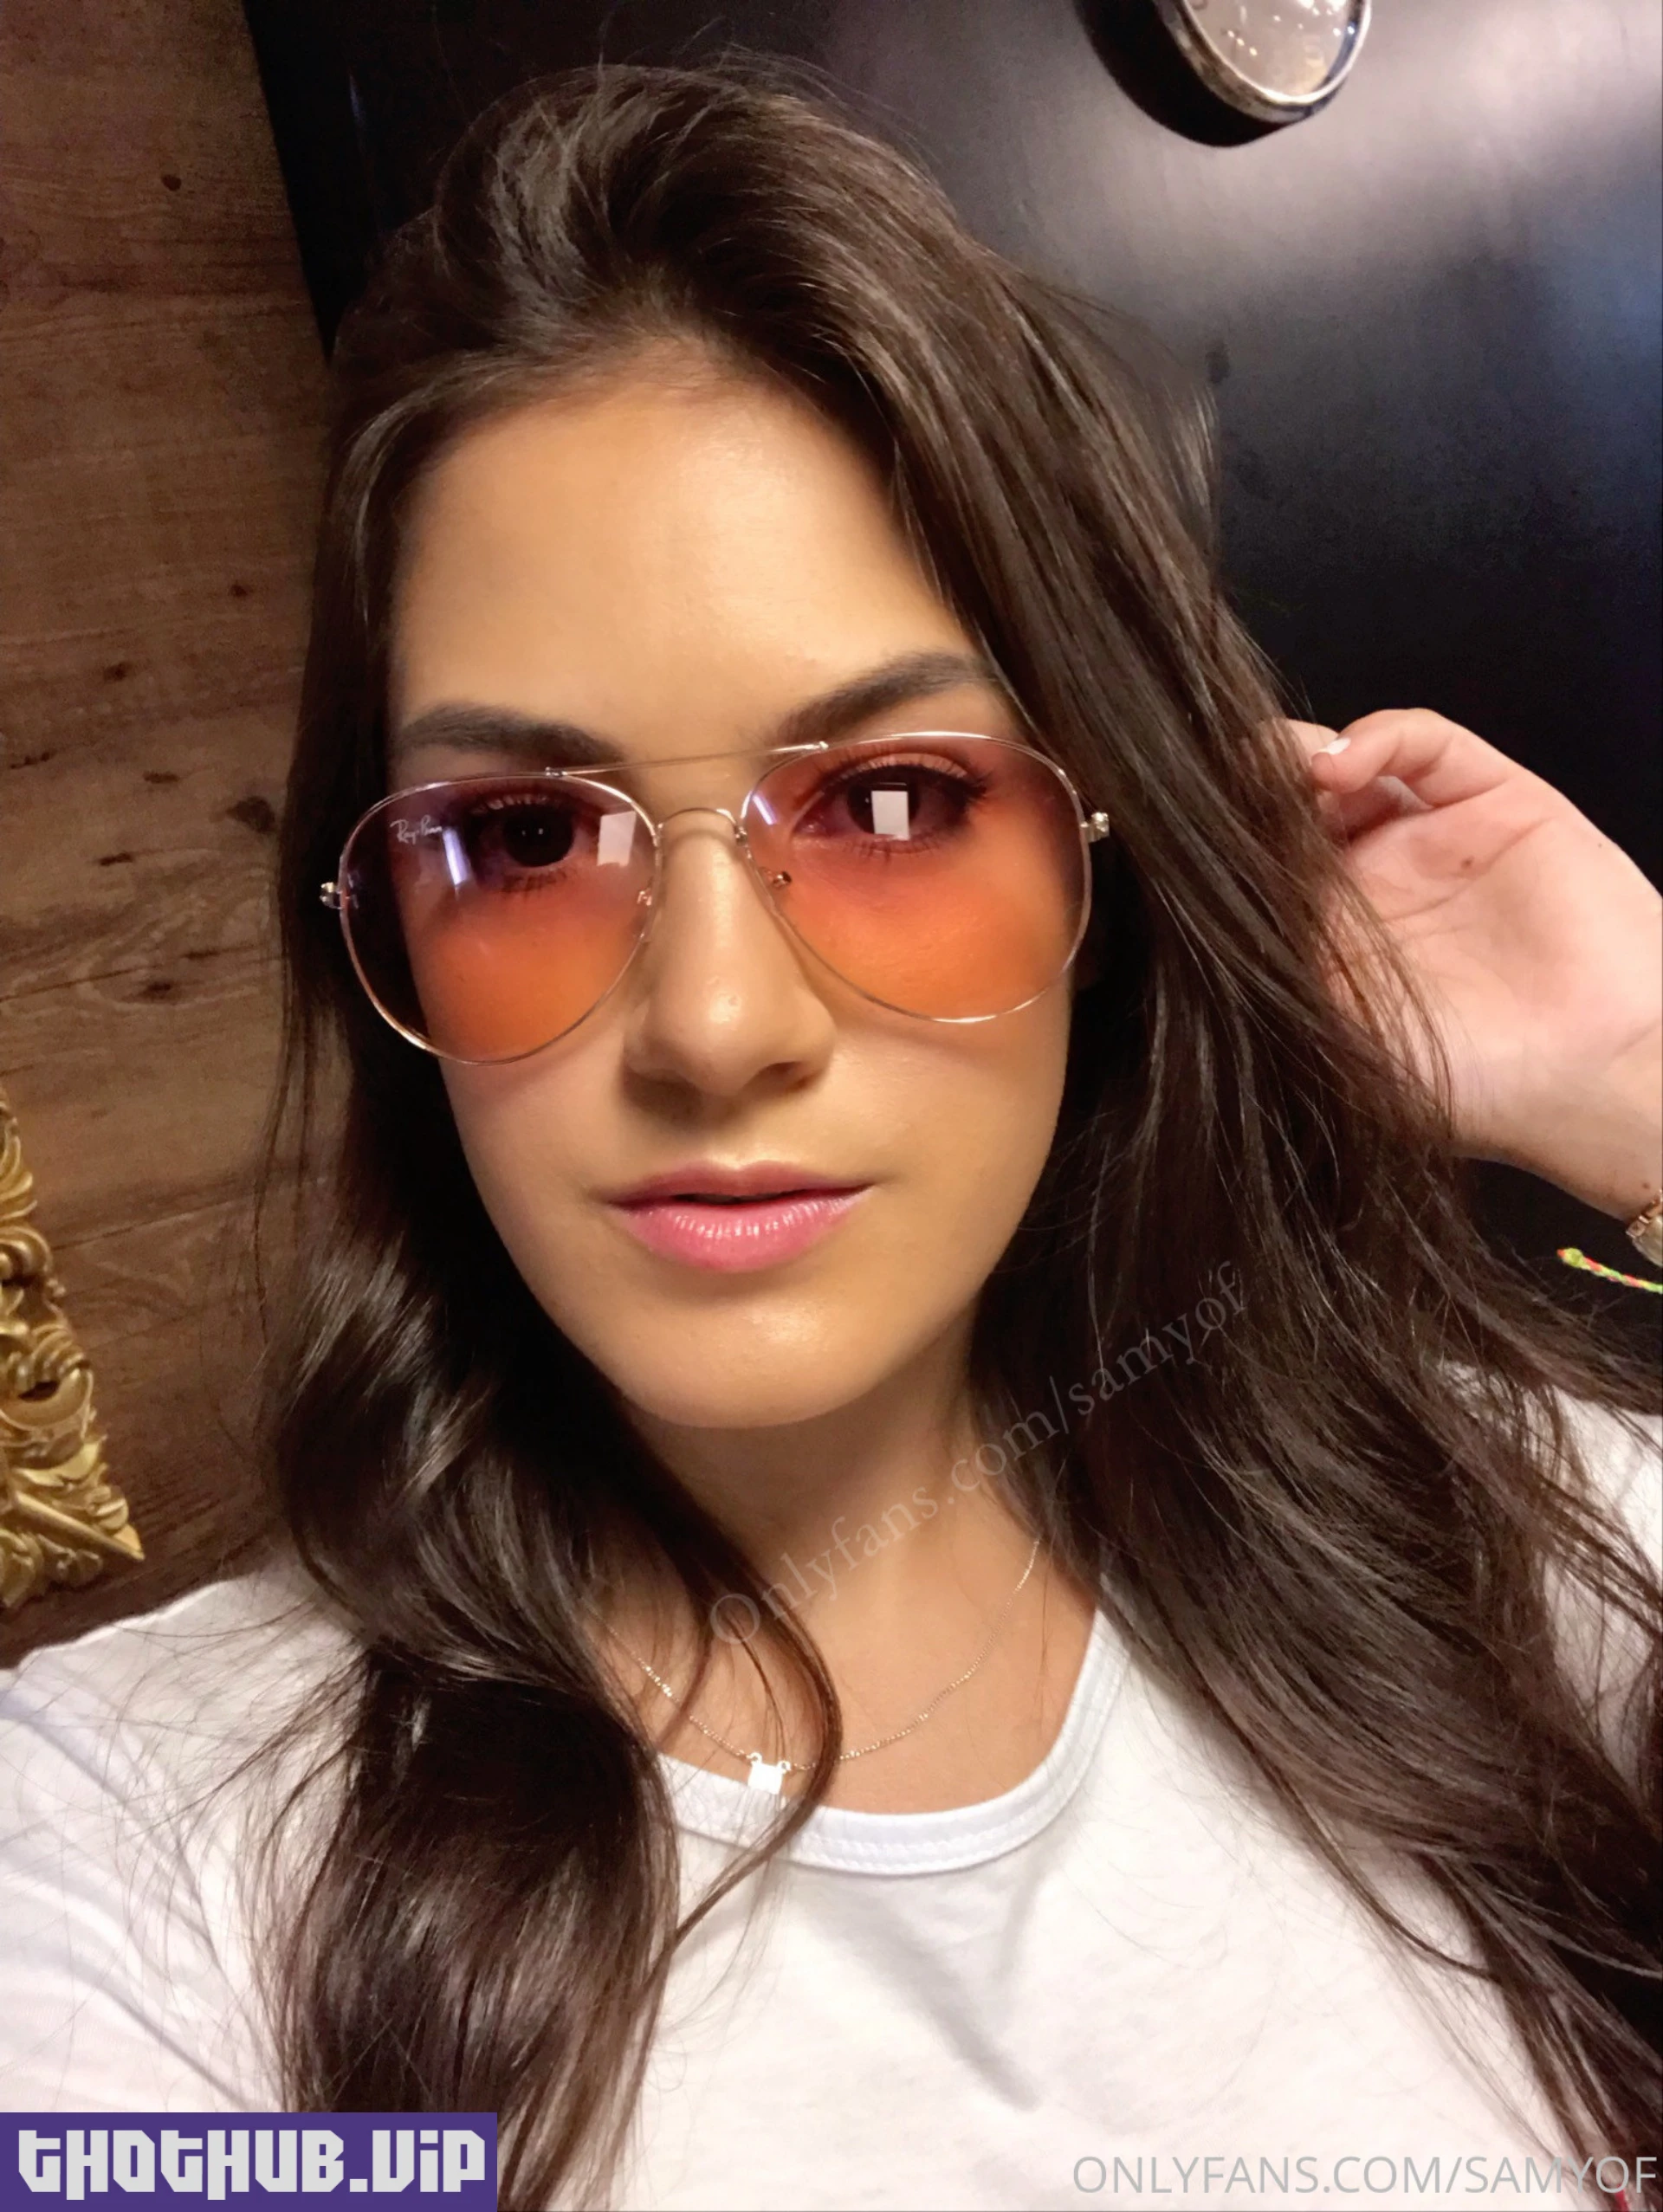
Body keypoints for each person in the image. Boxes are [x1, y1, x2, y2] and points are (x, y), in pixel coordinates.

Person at [3, 61, 1660, 2212]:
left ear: (1111, 866)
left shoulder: (1517, 1552)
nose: (713, 1025)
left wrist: (1643, 1076)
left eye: (894, 800)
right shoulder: (143, 1860)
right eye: (525, 836)